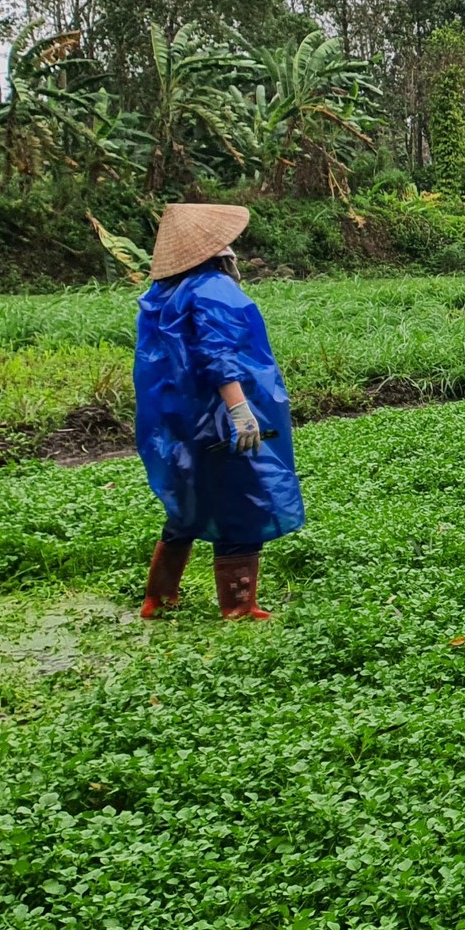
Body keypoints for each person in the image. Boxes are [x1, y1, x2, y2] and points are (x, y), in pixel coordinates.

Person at [135, 204, 304, 621]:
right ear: (216, 250)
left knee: (192, 502)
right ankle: (239, 607)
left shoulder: (161, 294)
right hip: (222, 415)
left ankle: (159, 597)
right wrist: (240, 409)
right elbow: (218, 354)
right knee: (244, 500)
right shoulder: (212, 288)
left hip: (184, 419)